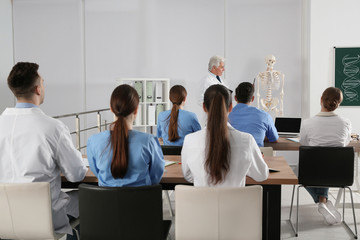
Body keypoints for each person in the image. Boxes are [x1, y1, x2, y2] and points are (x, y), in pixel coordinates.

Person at [0, 62, 87, 239]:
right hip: (45, 221)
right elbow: (76, 175)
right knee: (87, 197)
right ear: (38, 89)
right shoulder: (52, 128)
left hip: (4, 219)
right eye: (43, 82)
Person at [181, 84, 269, 187]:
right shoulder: (247, 140)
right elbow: (261, 175)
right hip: (236, 203)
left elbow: (188, 176)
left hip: (202, 202)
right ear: (231, 107)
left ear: (204, 107)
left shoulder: (190, 140)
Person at [87, 84, 165, 187]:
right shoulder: (149, 141)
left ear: (111, 108)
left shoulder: (94, 141)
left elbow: (97, 172)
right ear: (136, 110)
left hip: (106, 202)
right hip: (141, 202)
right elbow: (155, 177)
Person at [300, 87, 351, 225]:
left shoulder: (307, 123)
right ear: (338, 104)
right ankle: (324, 200)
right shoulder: (346, 123)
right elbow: (345, 144)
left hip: (313, 173)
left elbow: (304, 146)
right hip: (340, 174)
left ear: (321, 100)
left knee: (296, 171)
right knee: (327, 163)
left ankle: (322, 201)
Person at [229, 82, 279, 147]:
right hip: (255, 156)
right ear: (252, 98)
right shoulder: (264, 116)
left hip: (232, 156)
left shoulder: (226, 115)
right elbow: (274, 139)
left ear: (235, 98)